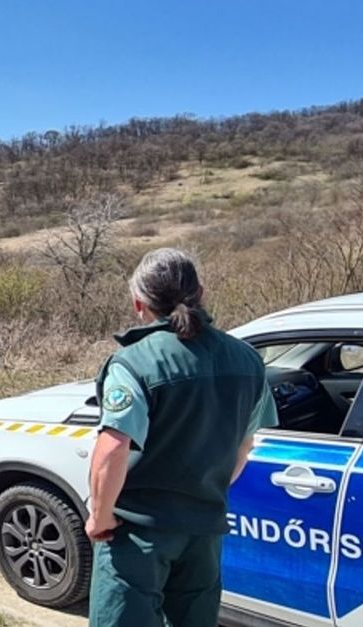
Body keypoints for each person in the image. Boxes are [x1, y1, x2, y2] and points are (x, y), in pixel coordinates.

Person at [86, 248, 278, 627]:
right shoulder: (247, 359)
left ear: (139, 304)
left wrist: (100, 517)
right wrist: (203, 493)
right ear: (201, 293)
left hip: (139, 533)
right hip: (203, 532)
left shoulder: (133, 362)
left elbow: (112, 448)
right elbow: (244, 446)